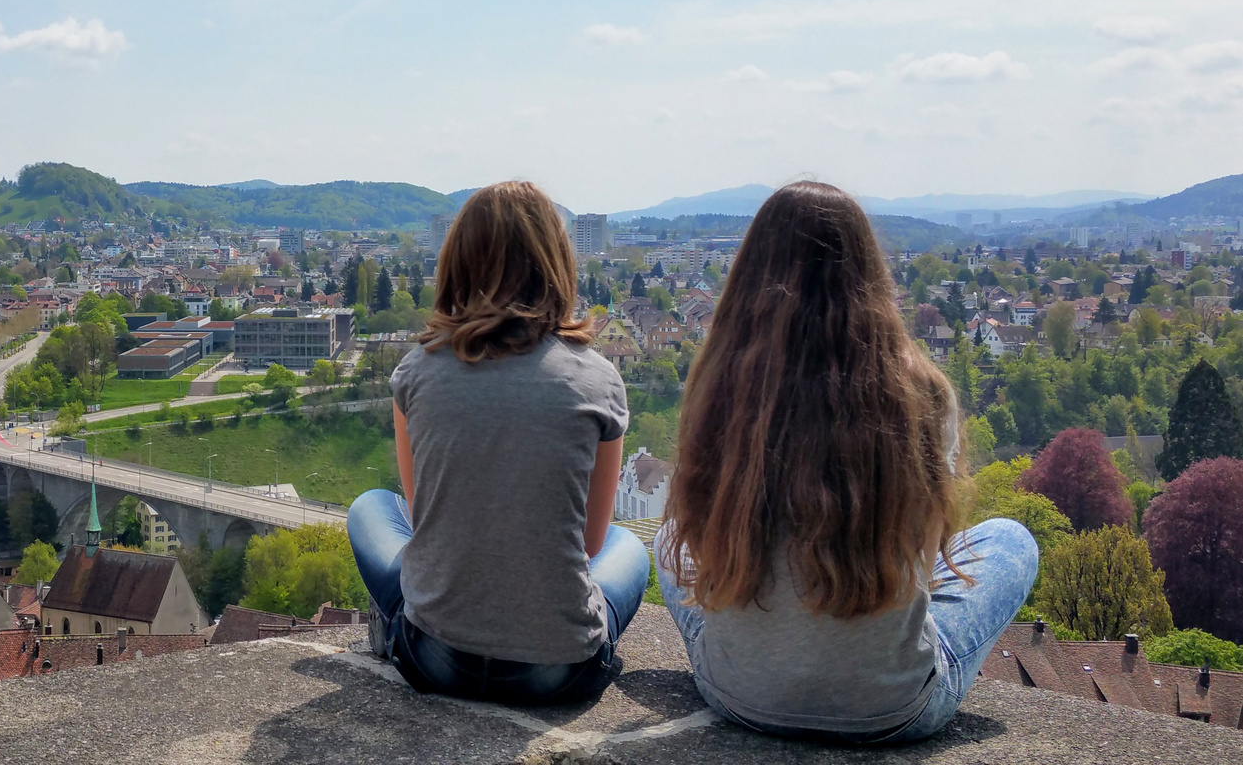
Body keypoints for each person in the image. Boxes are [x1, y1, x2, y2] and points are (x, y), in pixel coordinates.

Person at [657, 181, 1037, 743]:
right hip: (889, 708)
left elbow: (701, 529)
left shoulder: (720, 387)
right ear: (868, 276)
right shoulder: (920, 393)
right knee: (1010, 541)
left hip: (738, 693)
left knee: (669, 537)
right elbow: (923, 554)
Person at [348, 180, 646, 707]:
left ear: (460, 264)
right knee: (631, 549)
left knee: (372, 508)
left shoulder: (418, 369)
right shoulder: (598, 380)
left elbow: (423, 520)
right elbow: (592, 543)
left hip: (436, 658)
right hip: (557, 670)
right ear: (555, 264)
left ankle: (398, 626)